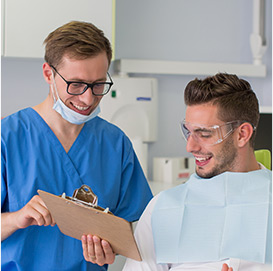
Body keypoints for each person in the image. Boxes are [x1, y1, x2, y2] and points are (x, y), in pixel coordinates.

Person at [1, 21, 153, 271]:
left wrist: (111, 250)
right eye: (77, 84)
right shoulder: (8, 137)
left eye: (98, 85)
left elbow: (135, 229)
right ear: (48, 74)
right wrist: (17, 218)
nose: (88, 98)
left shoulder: (115, 143)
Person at [121, 73, 272, 271]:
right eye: (188, 132)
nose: (190, 147)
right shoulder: (162, 209)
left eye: (204, 134)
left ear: (242, 135)